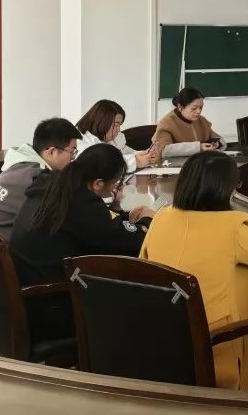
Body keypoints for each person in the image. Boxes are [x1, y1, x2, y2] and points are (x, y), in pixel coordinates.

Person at [140, 152, 248, 393]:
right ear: (226, 190)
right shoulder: (230, 227)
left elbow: (143, 264)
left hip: (164, 334)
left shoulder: (161, 218)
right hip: (216, 342)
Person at [10, 144, 154, 339]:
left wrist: (123, 217)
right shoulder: (81, 203)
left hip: (31, 293)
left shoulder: (52, 184)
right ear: (98, 184)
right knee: (143, 298)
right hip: (55, 307)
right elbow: (131, 242)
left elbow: (95, 226)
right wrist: (147, 220)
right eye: (115, 184)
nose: (116, 189)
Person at [0, 117, 81, 241]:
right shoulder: (36, 176)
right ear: (52, 152)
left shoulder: (19, 163)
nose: (73, 159)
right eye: (72, 152)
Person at [76, 99, 157, 172]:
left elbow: (125, 151)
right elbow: (100, 164)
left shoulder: (112, 137)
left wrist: (142, 155)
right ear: (101, 122)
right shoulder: (80, 141)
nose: (118, 130)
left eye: (119, 125)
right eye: (115, 125)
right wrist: (135, 161)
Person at [153, 87, 223, 159]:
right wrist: (198, 147)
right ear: (180, 107)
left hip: (199, 162)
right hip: (175, 164)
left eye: (201, 107)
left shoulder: (201, 120)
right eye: (194, 108)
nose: (198, 111)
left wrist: (217, 144)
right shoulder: (166, 123)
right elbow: (164, 150)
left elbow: (219, 139)